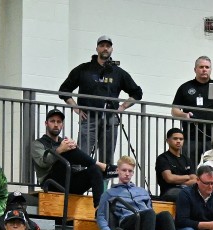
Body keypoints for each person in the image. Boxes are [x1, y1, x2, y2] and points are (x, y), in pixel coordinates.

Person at [58, 35, 144, 167]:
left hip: (110, 120)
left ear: (112, 49)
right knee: (82, 156)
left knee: (107, 159)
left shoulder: (118, 72)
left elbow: (137, 93)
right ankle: (80, 186)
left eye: (108, 46)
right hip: (89, 118)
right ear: (97, 48)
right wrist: (75, 107)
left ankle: (103, 187)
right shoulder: (84, 69)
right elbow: (64, 90)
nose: (105, 48)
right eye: (102, 45)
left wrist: (123, 107)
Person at [94, 157, 185, 230]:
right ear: (117, 170)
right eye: (124, 170)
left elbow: (150, 211)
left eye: (130, 171)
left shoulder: (142, 191)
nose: (127, 174)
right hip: (128, 223)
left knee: (166, 215)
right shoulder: (109, 193)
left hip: (146, 222)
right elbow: (100, 215)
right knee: (149, 213)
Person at [30, 108, 108, 204]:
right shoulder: (37, 144)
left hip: (70, 182)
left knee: (94, 169)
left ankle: (99, 208)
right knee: (65, 154)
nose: (56, 124)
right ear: (46, 123)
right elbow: (43, 163)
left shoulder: (65, 142)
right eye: (52, 121)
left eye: (59, 122)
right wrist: (59, 150)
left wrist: (75, 148)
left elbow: (77, 164)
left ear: (62, 125)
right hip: (51, 183)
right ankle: (104, 167)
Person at [171, 56, 213, 167]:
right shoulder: (185, 87)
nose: (204, 69)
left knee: (211, 168)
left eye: (207, 67)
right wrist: (184, 115)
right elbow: (174, 110)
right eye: (201, 67)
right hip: (190, 137)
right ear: (195, 69)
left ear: (211, 69)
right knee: (189, 166)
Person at [155, 128, 196, 201]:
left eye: (181, 139)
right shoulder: (163, 158)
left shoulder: (187, 159)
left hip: (186, 190)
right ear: (168, 141)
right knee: (185, 194)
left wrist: (179, 181)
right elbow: (169, 178)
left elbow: (195, 179)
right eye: (175, 139)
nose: (178, 141)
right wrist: (187, 176)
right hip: (169, 192)